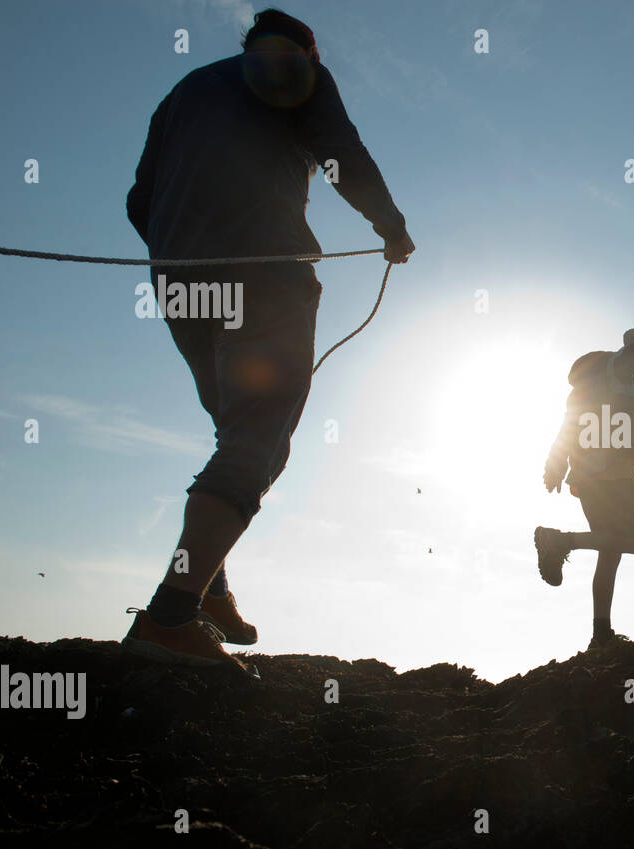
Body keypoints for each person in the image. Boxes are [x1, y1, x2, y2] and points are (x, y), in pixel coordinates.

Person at [122, 8, 415, 675]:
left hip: (180, 285)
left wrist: (183, 257)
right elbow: (340, 154)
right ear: (302, 50)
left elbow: (140, 201)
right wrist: (391, 226)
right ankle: (170, 615)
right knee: (259, 437)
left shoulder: (185, 91)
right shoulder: (301, 70)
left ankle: (212, 589)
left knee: (239, 431)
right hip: (266, 276)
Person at [534, 285, 634, 650]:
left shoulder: (582, 396)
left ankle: (600, 635)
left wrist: (554, 468)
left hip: (588, 484)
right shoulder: (617, 374)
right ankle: (560, 541)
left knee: (611, 550)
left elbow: (565, 433)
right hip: (615, 481)